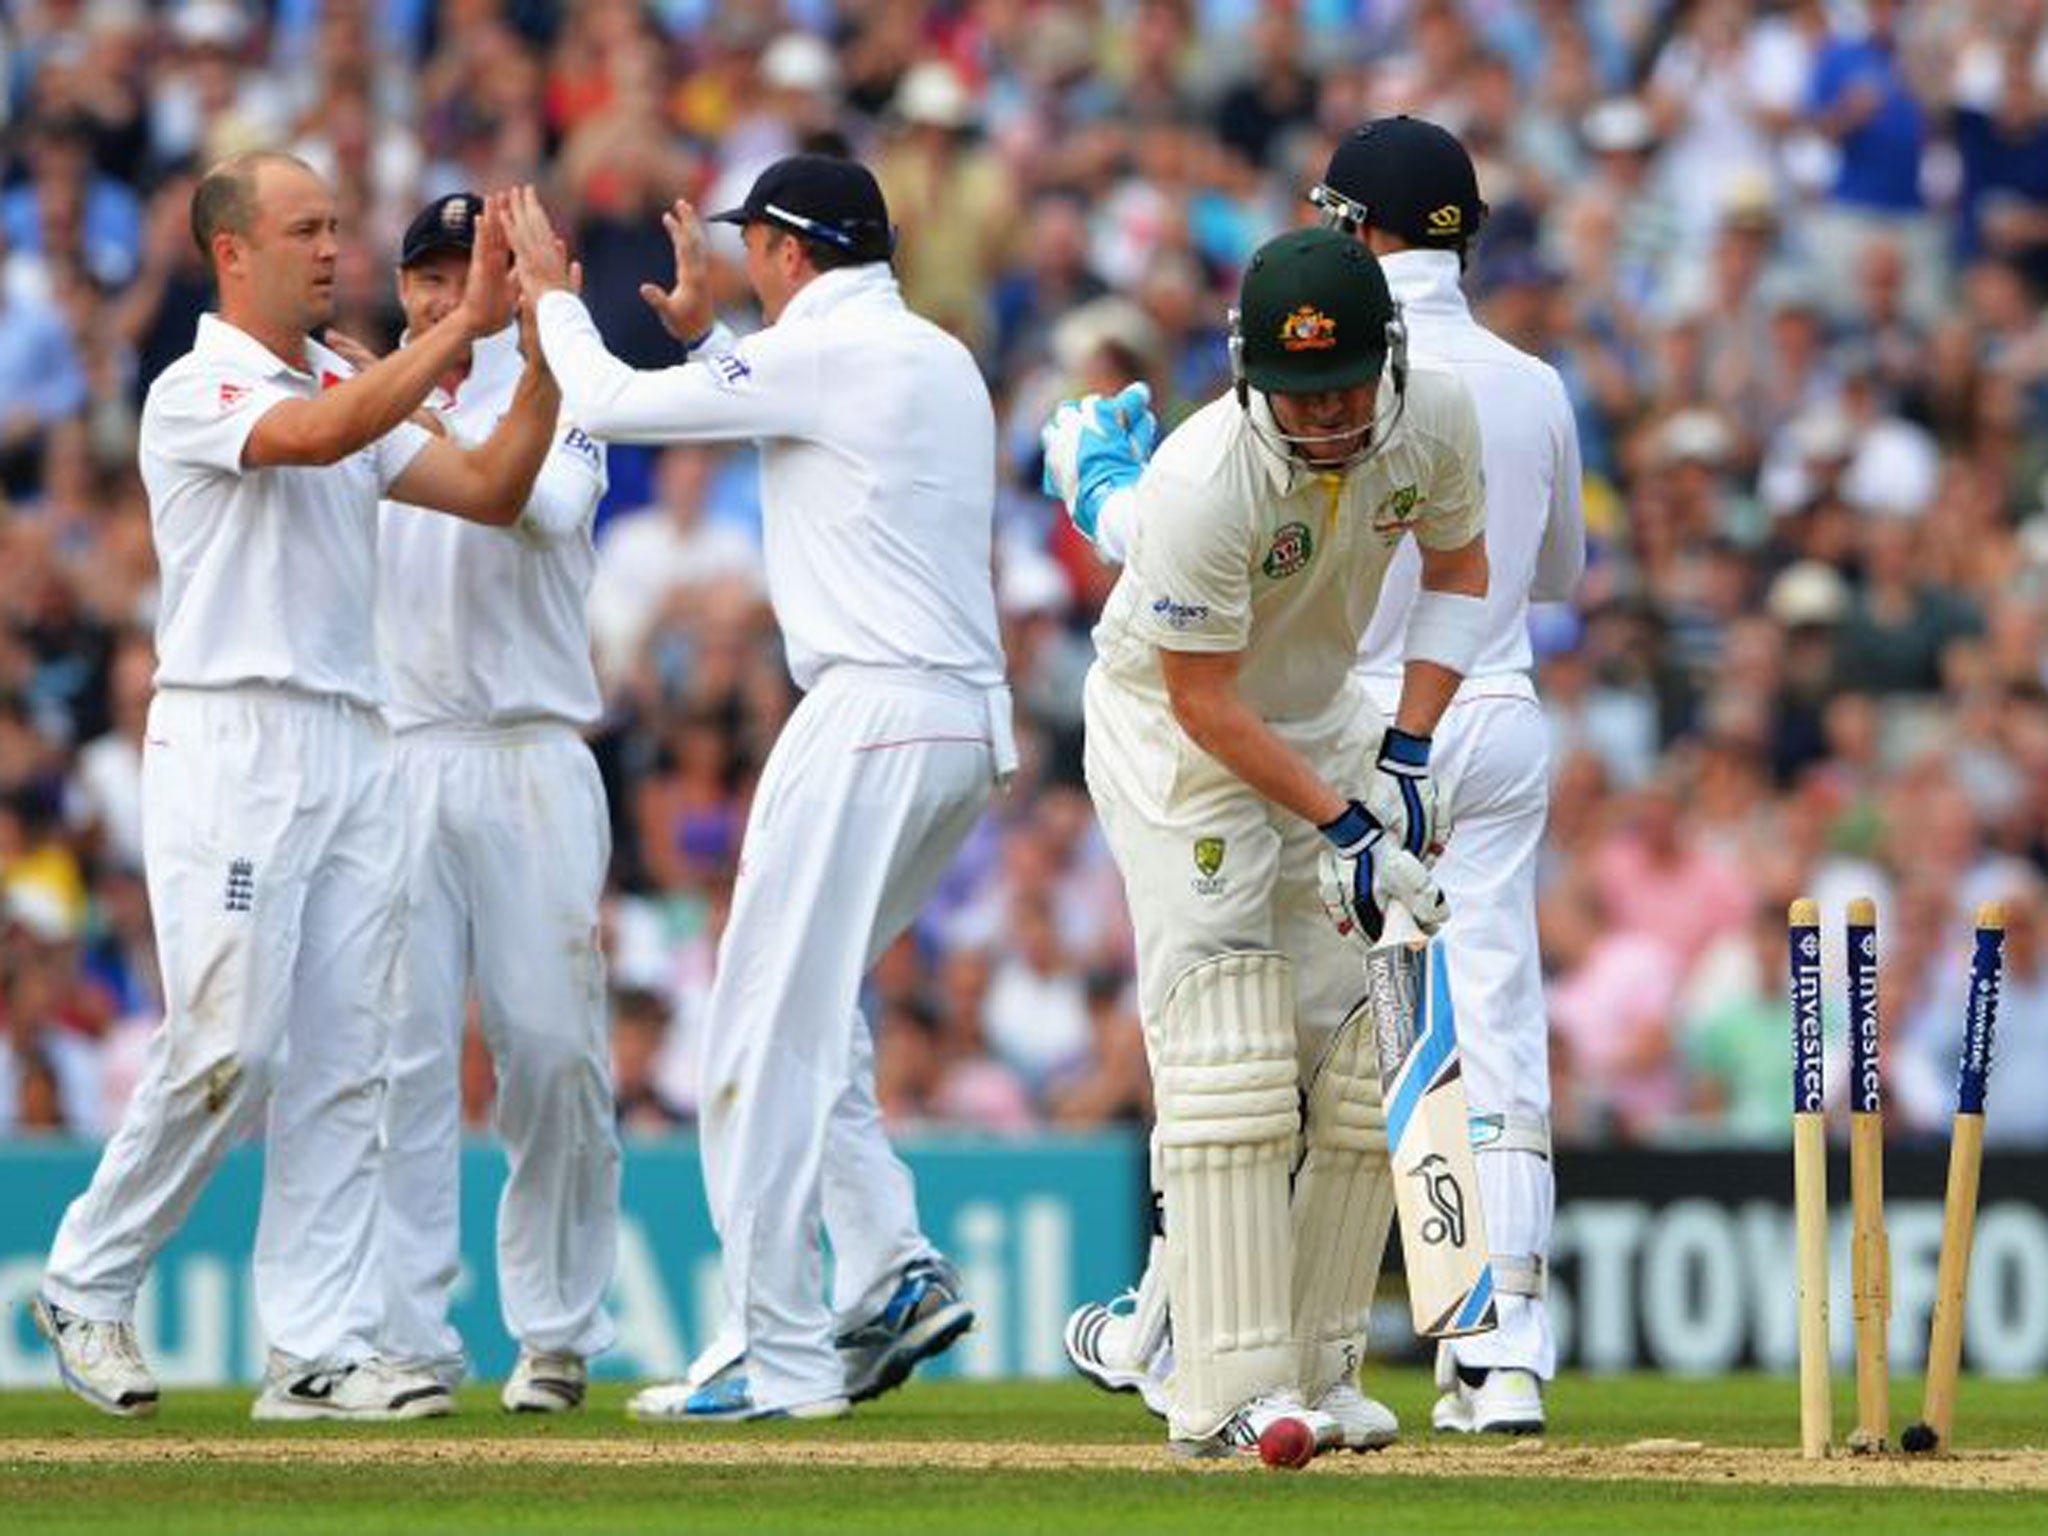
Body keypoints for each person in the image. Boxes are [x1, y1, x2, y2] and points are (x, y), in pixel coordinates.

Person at [1058, 117, 1584, 1437]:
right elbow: (1201, 697)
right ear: (1247, 381)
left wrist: (1403, 757)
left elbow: (1464, 575)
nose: (1335, 416)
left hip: (1347, 710)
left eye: (1353, 387)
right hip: (1190, 734)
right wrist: (1353, 814)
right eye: (1307, 396)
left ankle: (1304, 1359)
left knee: (1356, 1045)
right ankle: (1224, 1385)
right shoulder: (1208, 471)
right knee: (1237, 1042)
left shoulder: (1435, 411)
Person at [33, 152, 563, 1421]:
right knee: (232, 1042)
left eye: (336, 226)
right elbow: (319, 435)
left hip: (352, 738)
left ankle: (315, 1351)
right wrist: (459, 338)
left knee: (345, 1057)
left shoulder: (348, 375)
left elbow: (491, 492)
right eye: (305, 230)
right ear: (232, 252)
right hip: (233, 739)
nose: (332, 249)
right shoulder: (197, 387)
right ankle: (88, 1277)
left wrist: (542, 352)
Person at [503, 154, 1010, 1423]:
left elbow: (609, 402)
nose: (744, 267)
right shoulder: (928, 351)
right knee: (811, 1006)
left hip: (873, 713)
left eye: (751, 250)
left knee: (751, 1032)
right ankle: (889, 1268)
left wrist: (554, 293)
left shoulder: (826, 355)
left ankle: (768, 1351)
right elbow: (808, 411)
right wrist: (714, 340)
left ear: (787, 250)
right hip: (955, 725)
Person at [317, 192, 621, 1413]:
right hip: (401, 751)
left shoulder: (563, 390)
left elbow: (532, 503)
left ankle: (553, 1332)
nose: (447, 297)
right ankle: (409, 1340)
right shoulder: (363, 396)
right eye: (429, 278)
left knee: (551, 1051)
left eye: (471, 271)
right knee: (400, 1061)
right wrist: (395, 391)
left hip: (530, 747)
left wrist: (449, 378)